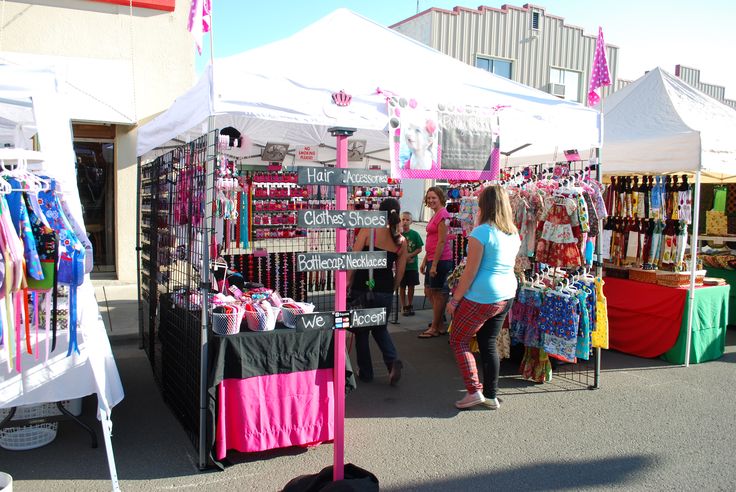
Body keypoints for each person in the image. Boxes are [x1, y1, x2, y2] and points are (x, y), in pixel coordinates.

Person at [446, 184, 520, 410]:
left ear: (484, 206)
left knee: (458, 340)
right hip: (506, 294)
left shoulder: (482, 232)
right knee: (488, 343)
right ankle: (490, 395)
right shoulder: (513, 232)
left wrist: (455, 300)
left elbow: (470, 272)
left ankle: (474, 390)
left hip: (482, 295)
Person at [348, 198, 408, 385]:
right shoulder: (401, 240)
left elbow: (354, 260)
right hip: (384, 289)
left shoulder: (369, 230)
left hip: (362, 286)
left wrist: (348, 283)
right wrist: (394, 287)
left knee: (361, 331)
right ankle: (392, 362)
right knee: (380, 328)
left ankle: (366, 372)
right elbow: (401, 270)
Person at [418, 186, 453, 338]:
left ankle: (435, 326)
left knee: (438, 293)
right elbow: (431, 240)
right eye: (429, 198)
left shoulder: (443, 215)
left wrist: (434, 264)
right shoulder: (435, 214)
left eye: (434, 198)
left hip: (441, 259)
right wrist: (426, 260)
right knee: (428, 290)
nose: (431, 200)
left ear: (440, 198)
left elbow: (441, 241)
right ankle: (439, 323)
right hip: (432, 258)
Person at [399, 211, 423, 316]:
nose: (405, 222)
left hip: (412, 266)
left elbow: (419, 248)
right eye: (403, 219)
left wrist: (410, 255)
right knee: (402, 286)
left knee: (411, 286)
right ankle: (403, 305)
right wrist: (403, 257)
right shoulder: (398, 234)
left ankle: (409, 304)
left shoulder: (415, 234)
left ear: (411, 221)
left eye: (407, 220)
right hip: (401, 266)